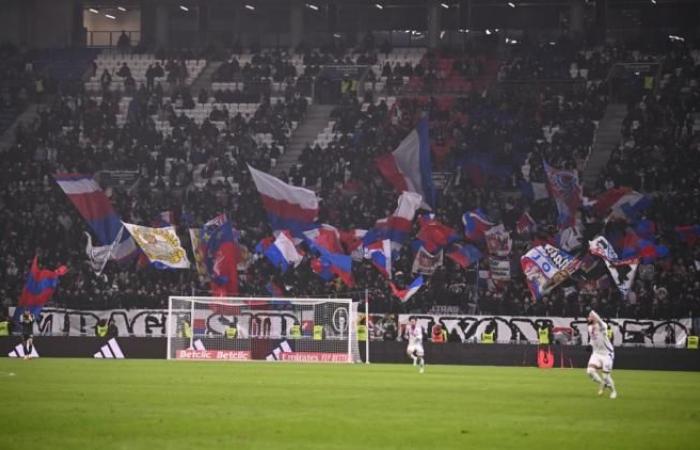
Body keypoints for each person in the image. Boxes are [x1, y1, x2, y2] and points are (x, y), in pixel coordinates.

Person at [586, 310, 617, 399]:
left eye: (590, 317)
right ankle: (602, 383)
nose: (588, 318)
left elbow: (599, 320)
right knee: (590, 371)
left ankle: (614, 391)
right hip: (596, 353)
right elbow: (593, 339)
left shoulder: (602, 326)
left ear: (595, 318)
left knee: (605, 376)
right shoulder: (589, 328)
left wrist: (593, 313)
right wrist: (590, 345)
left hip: (607, 353)